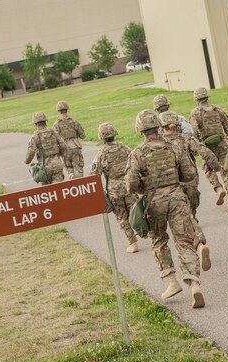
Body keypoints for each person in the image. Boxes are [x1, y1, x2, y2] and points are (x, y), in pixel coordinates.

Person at [125, 109, 208, 308]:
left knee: (159, 240)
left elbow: (130, 184)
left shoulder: (137, 153)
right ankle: (194, 284)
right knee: (185, 241)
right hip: (176, 197)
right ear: (157, 125)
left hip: (153, 201)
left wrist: (142, 190)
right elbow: (188, 173)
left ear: (140, 130)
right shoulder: (173, 148)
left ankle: (171, 281)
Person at [159, 110, 213, 268]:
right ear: (177, 125)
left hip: (173, 187)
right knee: (191, 215)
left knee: (183, 219)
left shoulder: (161, 145)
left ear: (162, 127)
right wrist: (215, 167)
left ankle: (196, 247)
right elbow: (205, 152)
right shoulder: (187, 139)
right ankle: (199, 242)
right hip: (191, 183)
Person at [90, 122, 139, 253]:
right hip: (129, 186)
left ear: (101, 137)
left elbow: (94, 175)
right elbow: (135, 161)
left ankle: (132, 242)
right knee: (136, 212)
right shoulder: (124, 148)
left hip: (114, 190)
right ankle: (149, 233)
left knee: (122, 216)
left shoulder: (101, 153)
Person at [189, 87, 228, 203]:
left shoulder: (195, 113)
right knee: (226, 169)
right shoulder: (218, 110)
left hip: (207, 147)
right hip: (222, 144)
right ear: (208, 97)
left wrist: (196, 148)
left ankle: (218, 188)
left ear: (196, 99)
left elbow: (194, 132)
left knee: (207, 169)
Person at [24, 112, 67, 185]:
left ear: (35, 124)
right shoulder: (53, 131)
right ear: (45, 121)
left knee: (47, 191)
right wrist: (59, 154)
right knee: (58, 188)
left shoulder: (35, 136)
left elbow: (31, 152)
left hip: (44, 166)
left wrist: (26, 161)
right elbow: (63, 145)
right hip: (57, 163)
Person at [52, 101, 86, 179]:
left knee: (69, 168)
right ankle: (80, 182)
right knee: (78, 168)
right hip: (75, 146)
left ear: (58, 111)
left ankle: (72, 177)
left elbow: (55, 140)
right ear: (67, 109)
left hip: (65, 148)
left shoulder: (56, 124)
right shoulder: (74, 121)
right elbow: (82, 135)